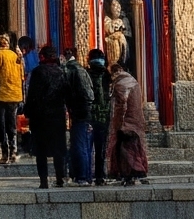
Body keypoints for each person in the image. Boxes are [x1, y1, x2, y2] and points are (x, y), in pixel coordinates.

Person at [26, 43, 75, 188]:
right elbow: (68, 94)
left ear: (42, 57)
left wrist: (28, 112)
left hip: (40, 116)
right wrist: (69, 111)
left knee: (40, 150)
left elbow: (32, 95)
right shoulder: (61, 72)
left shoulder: (38, 72)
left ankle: (44, 181)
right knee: (58, 149)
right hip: (57, 115)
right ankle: (60, 178)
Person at [107, 63, 150, 184]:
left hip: (126, 122)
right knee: (134, 147)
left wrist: (118, 123)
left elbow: (122, 105)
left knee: (126, 149)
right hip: (136, 120)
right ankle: (135, 173)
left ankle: (135, 172)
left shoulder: (120, 84)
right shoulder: (134, 82)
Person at [0, 33, 24, 169]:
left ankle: (4, 153)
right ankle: (13, 152)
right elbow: (22, 76)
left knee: (0, 125)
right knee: (12, 124)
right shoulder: (15, 56)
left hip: (0, 96)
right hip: (15, 95)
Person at [64, 47, 94, 183]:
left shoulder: (70, 69)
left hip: (79, 111)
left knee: (79, 144)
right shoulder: (81, 70)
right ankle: (86, 175)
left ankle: (82, 176)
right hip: (85, 111)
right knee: (84, 145)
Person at [84, 49, 112, 185]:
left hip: (88, 116)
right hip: (103, 116)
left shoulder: (86, 73)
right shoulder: (107, 74)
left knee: (87, 148)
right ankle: (100, 176)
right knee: (101, 148)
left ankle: (87, 175)